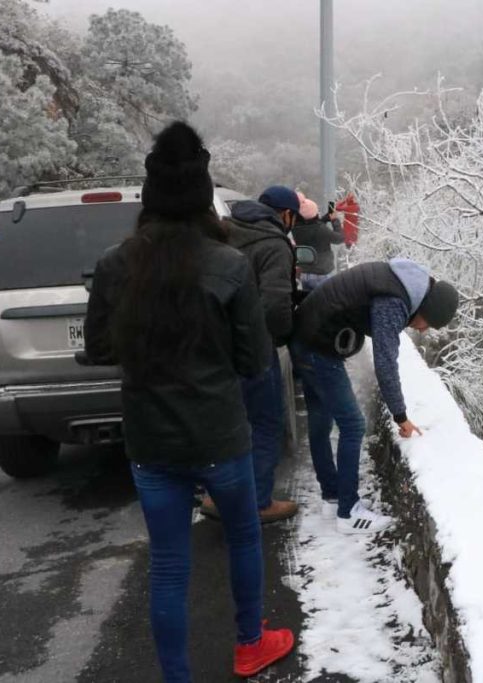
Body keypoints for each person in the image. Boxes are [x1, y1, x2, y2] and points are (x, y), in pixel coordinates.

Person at [84, 121, 294, 681]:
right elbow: (255, 361)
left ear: (149, 197)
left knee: (170, 564)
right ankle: (250, 645)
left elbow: (101, 345)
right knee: (245, 536)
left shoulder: (114, 265)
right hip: (220, 437)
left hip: (150, 441)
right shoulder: (230, 266)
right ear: (204, 197)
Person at [293, 258, 460, 534]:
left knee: (320, 421)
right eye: (427, 322)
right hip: (317, 345)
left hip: (307, 335)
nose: (422, 329)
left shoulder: (403, 281)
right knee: (353, 425)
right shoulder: (394, 301)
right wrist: (401, 416)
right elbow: (385, 362)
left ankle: (332, 496)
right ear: (425, 307)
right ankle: (348, 512)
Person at [201, 185, 301, 523]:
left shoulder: (223, 231)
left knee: (226, 422)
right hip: (253, 349)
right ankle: (258, 501)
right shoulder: (274, 245)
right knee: (265, 422)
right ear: (286, 215)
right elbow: (274, 305)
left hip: (213, 344)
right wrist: (284, 335)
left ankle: (217, 498)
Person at [292, 191, 343, 290]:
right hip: (321, 275)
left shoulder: (295, 228)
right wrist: (334, 220)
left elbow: (312, 226)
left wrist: (325, 218)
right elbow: (339, 238)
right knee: (324, 303)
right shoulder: (320, 229)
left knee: (309, 302)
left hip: (305, 274)